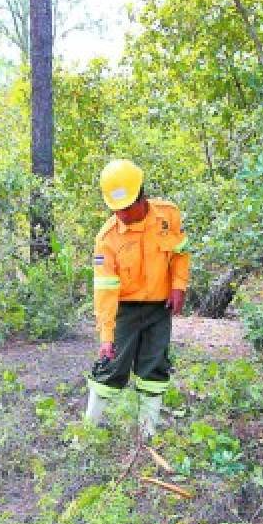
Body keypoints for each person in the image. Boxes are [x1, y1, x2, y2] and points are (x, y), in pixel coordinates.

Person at [84, 159, 191, 437]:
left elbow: (180, 252)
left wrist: (179, 286)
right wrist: (107, 335)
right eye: (116, 210)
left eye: (127, 208)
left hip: (159, 308)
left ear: (141, 197)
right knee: (110, 367)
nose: (122, 215)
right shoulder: (107, 238)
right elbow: (105, 291)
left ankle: (148, 434)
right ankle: (86, 433)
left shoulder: (168, 216)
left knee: (154, 367)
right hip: (124, 311)